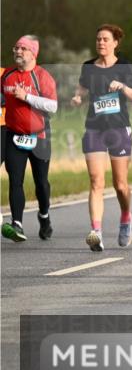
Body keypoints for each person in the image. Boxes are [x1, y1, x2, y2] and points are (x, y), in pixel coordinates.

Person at [71, 24, 132, 251]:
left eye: (105, 39)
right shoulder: (88, 67)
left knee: (120, 185)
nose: (101, 42)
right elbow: (82, 86)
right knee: (95, 181)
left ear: (115, 43)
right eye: (98, 39)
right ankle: (97, 232)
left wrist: (122, 87)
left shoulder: (124, 66)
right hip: (94, 128)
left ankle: (126, 216)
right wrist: (78, 97)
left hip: (119, 129)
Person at [1, 36, 57, 242]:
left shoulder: (42, 76)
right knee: (15, 180)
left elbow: (53, 106)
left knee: (41, 183)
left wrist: (27, 97)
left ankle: (44, 215)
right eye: (15, 47)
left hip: (40, 136)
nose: (17, 51)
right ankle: (17, 224)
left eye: (22, 48)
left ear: (33, 53)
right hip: (14, 135)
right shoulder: (7, 74)